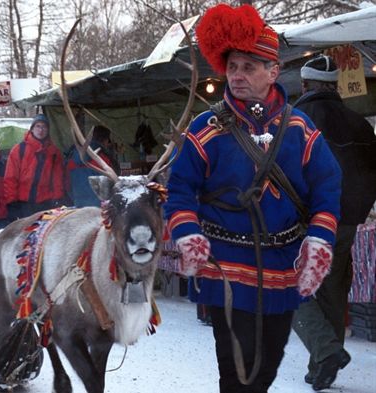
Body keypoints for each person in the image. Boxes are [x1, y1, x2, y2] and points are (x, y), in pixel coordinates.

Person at [164, 4, 342, 392]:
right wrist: (189, 236)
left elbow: (328, 185)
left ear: (273, 72)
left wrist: (319, 241)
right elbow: (178, 190)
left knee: (267, 369)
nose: (238, 75)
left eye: (249, 66)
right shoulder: (206, 128)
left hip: (282, 266)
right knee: (237, 372)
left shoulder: (299, 127)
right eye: (233, 67)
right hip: (226, 267)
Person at [291, 55, 376, 391]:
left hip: (306, 220)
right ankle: (322, 368)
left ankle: (326, 352)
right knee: (333, 288)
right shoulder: (360, 123)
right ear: (335, 85)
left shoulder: (296, 121)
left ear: (305, 85)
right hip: (347, 222)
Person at [4, 114, 68, 220]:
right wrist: (11, 202)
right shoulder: (19, 150)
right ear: (32, 129)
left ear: (48, 130)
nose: (41, 130)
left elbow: (58, 180)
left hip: (45, 204)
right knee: (26, 233)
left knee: (43, 233)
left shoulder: (54, 152)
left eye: (44, 127)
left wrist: (58, 198)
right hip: (24, 204)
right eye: (38, 126)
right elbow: (10, 178)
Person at [66, 125, 119, 207]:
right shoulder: (103, 157)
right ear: (105, 140)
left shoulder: (72, 155)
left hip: (78, 203)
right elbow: (112, 182)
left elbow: (66, 181)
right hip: (99, 206)